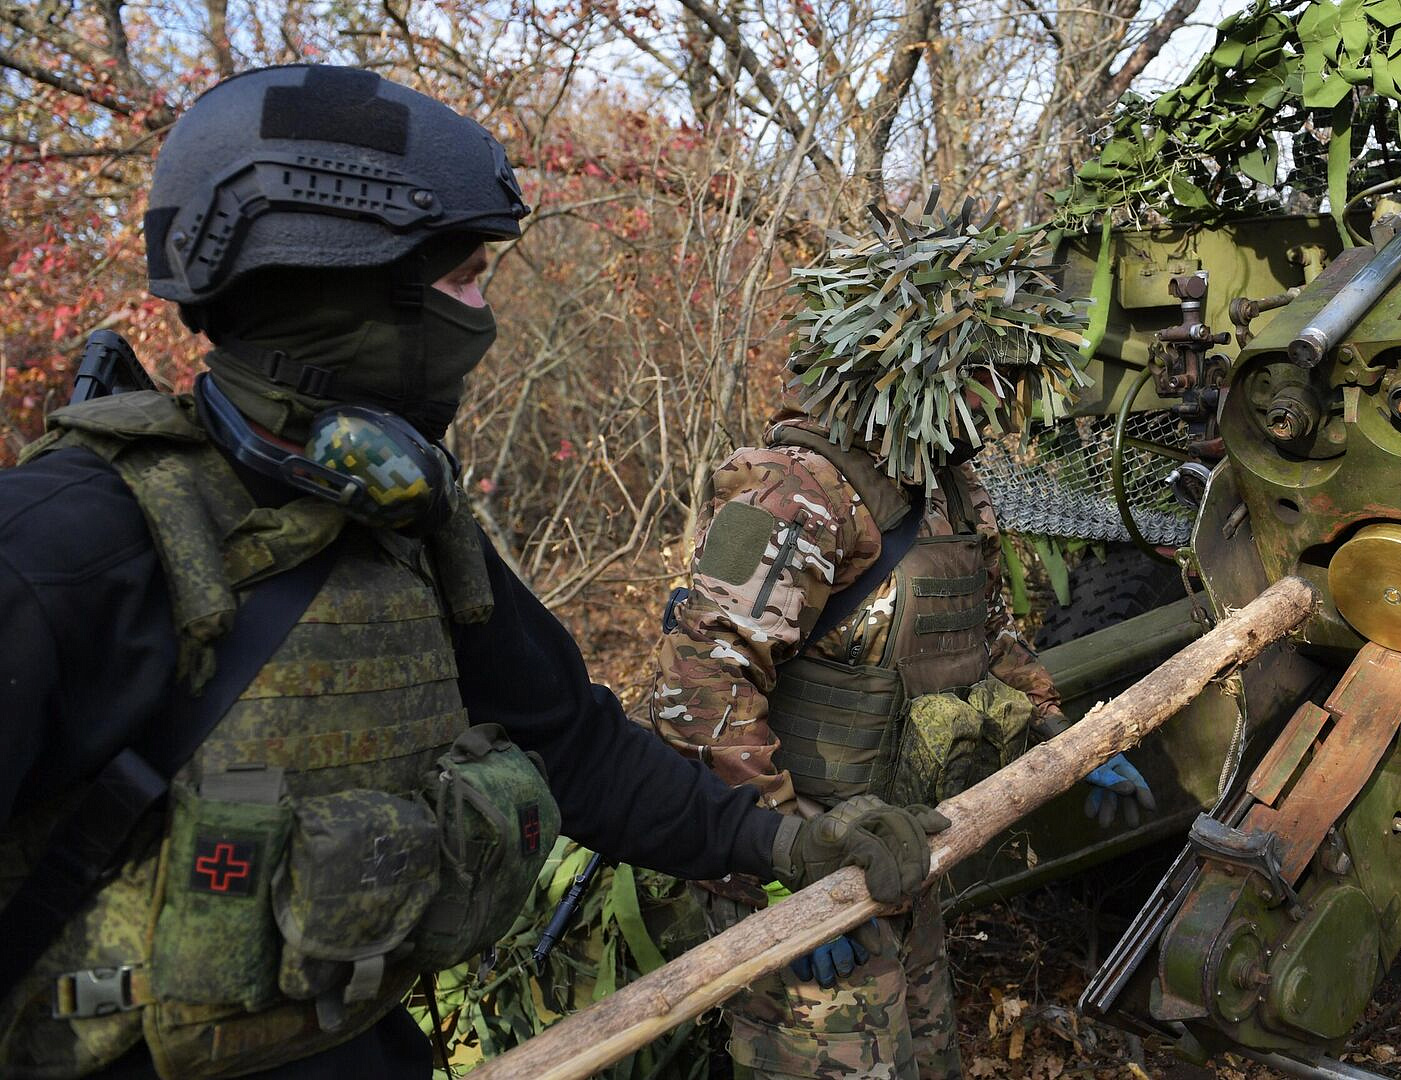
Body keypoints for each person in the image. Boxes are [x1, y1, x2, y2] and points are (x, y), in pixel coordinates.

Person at [0, 65, 944, 1079]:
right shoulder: (66, 548)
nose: (484, 318)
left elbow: (576, 751)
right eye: (461, 281)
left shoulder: (413, 532)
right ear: (340, 285)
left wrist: (782, 846)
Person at [650, 197, 1157, 1079]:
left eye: (1010, 381)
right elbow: (699, 700)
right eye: (984, 378)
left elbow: (989, 639)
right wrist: (780, 891)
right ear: (907, 366)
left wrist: (1062, 738)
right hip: (795, 865)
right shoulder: (794, 499)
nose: (999, 407)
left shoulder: (952, 494)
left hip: (896, 857)